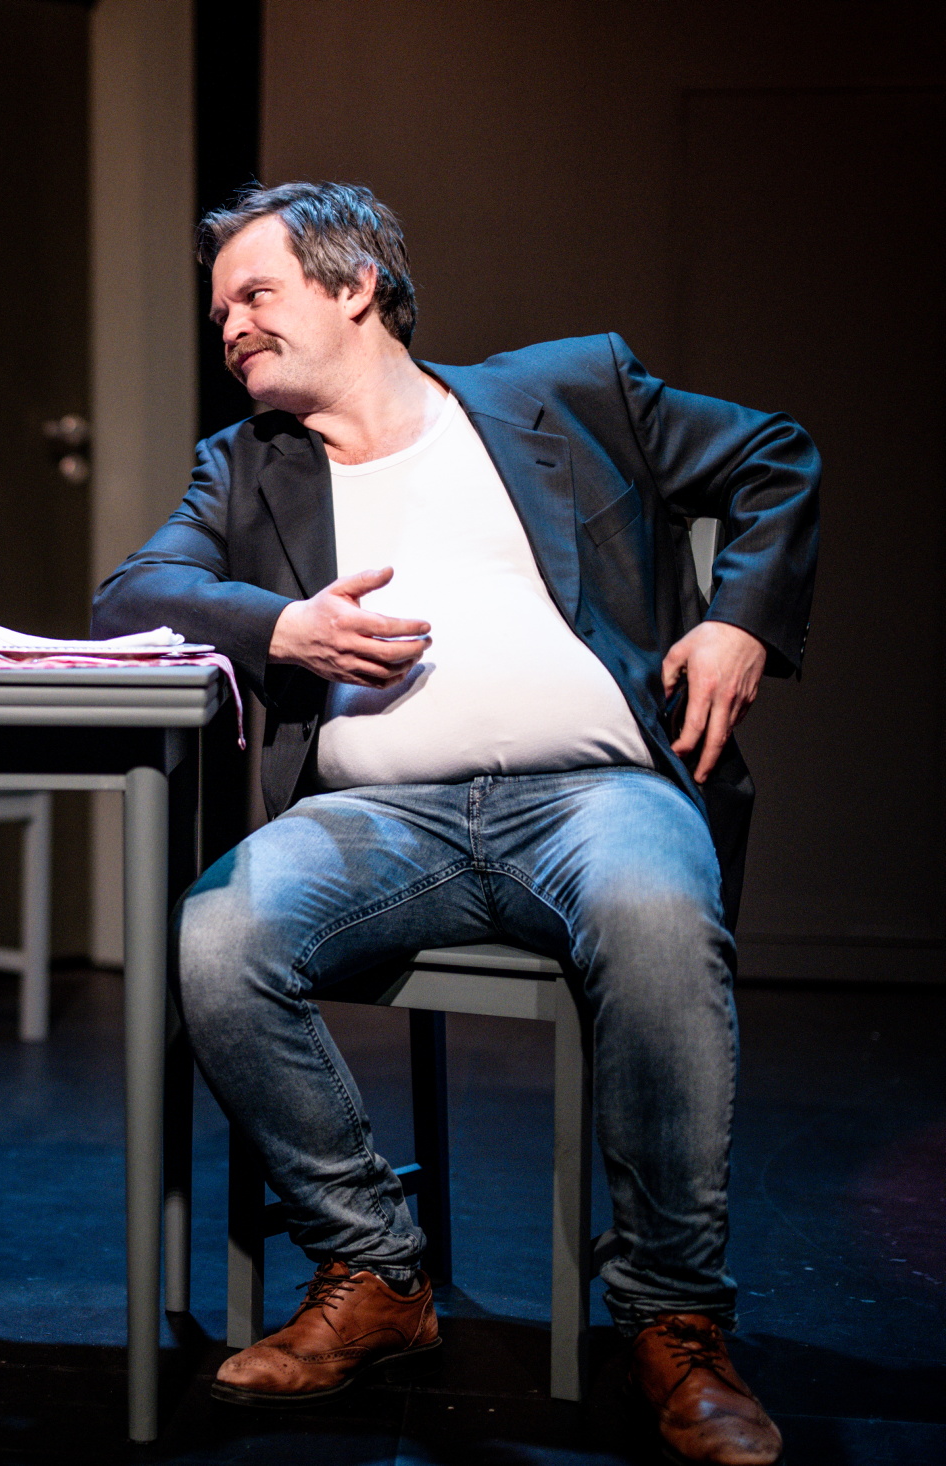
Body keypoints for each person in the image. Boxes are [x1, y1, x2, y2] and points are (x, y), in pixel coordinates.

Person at [94, 181, 815, 1466]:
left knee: (655, 907)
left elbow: (775, 455)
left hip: (595, 795)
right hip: (380, 818)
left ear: (353, 285)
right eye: (220, 313)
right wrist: (284, 625)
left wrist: (738, 619)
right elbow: (131, 594)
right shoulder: (247, 465)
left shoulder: (567, 390)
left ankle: (674, 1316)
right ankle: (375, 1268)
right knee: (218, 933)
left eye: (255, 294)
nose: (231, 326)